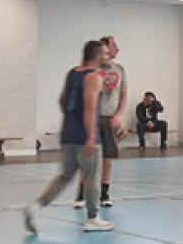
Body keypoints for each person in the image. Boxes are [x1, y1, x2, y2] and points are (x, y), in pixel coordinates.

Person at [24, 40, 115, 233]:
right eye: (106, 53)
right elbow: (90, 108)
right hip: (85, 136)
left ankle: (35, 206)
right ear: (97, 55)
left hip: (68, 134)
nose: (109, 57)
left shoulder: (73, 73)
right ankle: (93, 217)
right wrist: (91, 136)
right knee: (92, 177)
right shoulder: (93, 77)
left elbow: (62, 101)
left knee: (65, 175)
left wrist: (69, 124)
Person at [76, 36, 127, 208]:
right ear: (105, 48)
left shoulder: (120, 69)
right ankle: (81, 193)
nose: (117, 49)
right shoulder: (93, 70)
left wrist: (119, 115)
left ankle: (104, 193)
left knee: (108, 158)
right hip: (92, 117)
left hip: (109, 118)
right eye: (114, 46)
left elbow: (123, 95)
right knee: (88, 157)